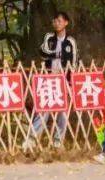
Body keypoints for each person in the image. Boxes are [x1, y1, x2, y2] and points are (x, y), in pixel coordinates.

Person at [24, 11, 76, 148]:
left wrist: (70, 81)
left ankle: (58, 140)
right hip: (49, 80)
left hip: (64, 80)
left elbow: (73, 62)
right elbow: (43, 53)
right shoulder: (49, 38)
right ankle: (32, 139)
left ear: (66, 23)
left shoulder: (70, 41)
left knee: (63, 111)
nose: (57, 23)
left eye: (59, 21)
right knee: (43, 108)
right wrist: (56, 54)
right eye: (55, 21)